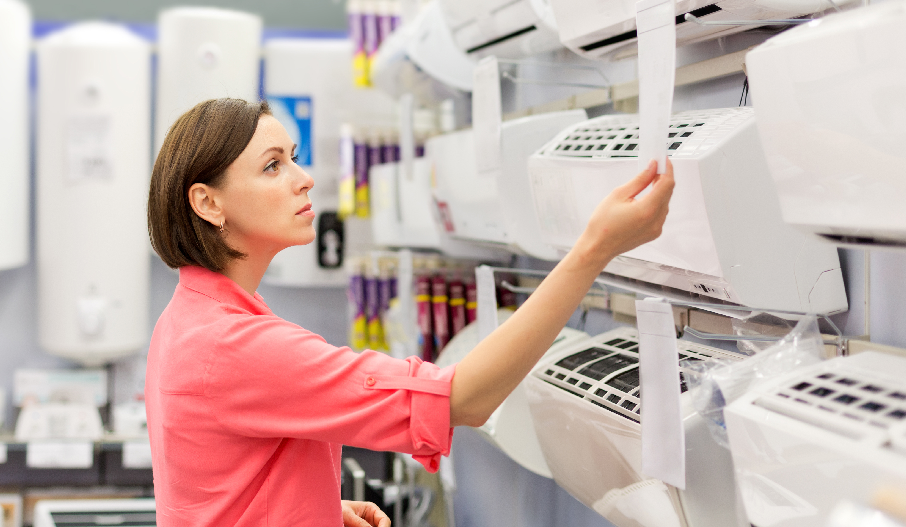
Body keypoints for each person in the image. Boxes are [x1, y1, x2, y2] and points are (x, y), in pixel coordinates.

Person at [145, 98, 674, 527]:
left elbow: (214, 490)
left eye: (294, 156)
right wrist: (592, 252)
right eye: (272, 166)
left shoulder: (190, 319)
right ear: (208, 203)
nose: (303, 178)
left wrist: (308, 509)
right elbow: (463, 398)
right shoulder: (238, 347)